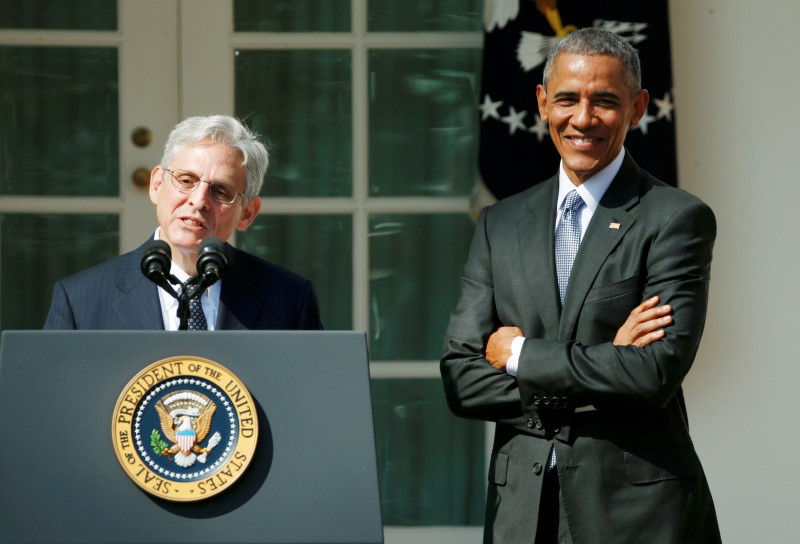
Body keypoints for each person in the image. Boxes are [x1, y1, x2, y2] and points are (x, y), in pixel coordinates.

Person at [441, 28, 720, 543]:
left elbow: (653, 373)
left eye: (606, 102)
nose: (584, 119)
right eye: (567, 99)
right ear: (543, 103)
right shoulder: (498, 223)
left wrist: (521, 354)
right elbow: (462, 379)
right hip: (521, 516)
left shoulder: (677, 219)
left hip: (637, 514)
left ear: (637, 108)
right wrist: (605, 361)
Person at [44, 115, 322, 331]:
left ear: (247, 213)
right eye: (186, 181)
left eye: (221, 191)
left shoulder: (290, 301)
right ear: (156, 184)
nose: (199, 201)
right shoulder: (80, 300)